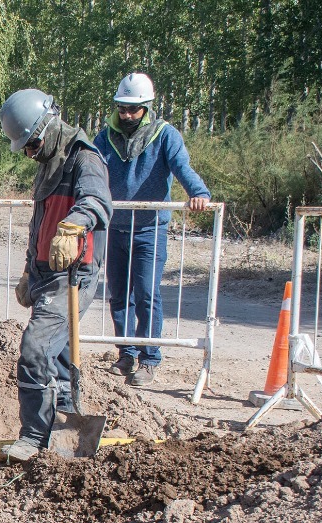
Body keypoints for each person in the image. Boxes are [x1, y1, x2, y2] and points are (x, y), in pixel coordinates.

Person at [0, 89, 112, 463]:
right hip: (48, 274)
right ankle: (65, 422)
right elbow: (38, 225)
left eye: (30, 145)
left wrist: (74, 227)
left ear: (45, 128)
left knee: (35, 349)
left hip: (73, 275)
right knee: (57, 352)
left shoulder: (84, 158)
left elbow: (95, 201)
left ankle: (33, 436)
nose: (29, 154)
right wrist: (30, 270)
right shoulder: (49, 163)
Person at [94, 73, 211, 387]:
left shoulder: (164, 135)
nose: (128, 115)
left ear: (146, 107)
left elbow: (181, 165)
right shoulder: (105, 137)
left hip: (149, 230)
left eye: (134, 109)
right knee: (119, 296)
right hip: (115, 228)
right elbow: (88, 169)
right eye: (122, 108)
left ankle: (149, 359)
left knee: (146, 295)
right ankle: (126, 353)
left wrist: (198, 193)